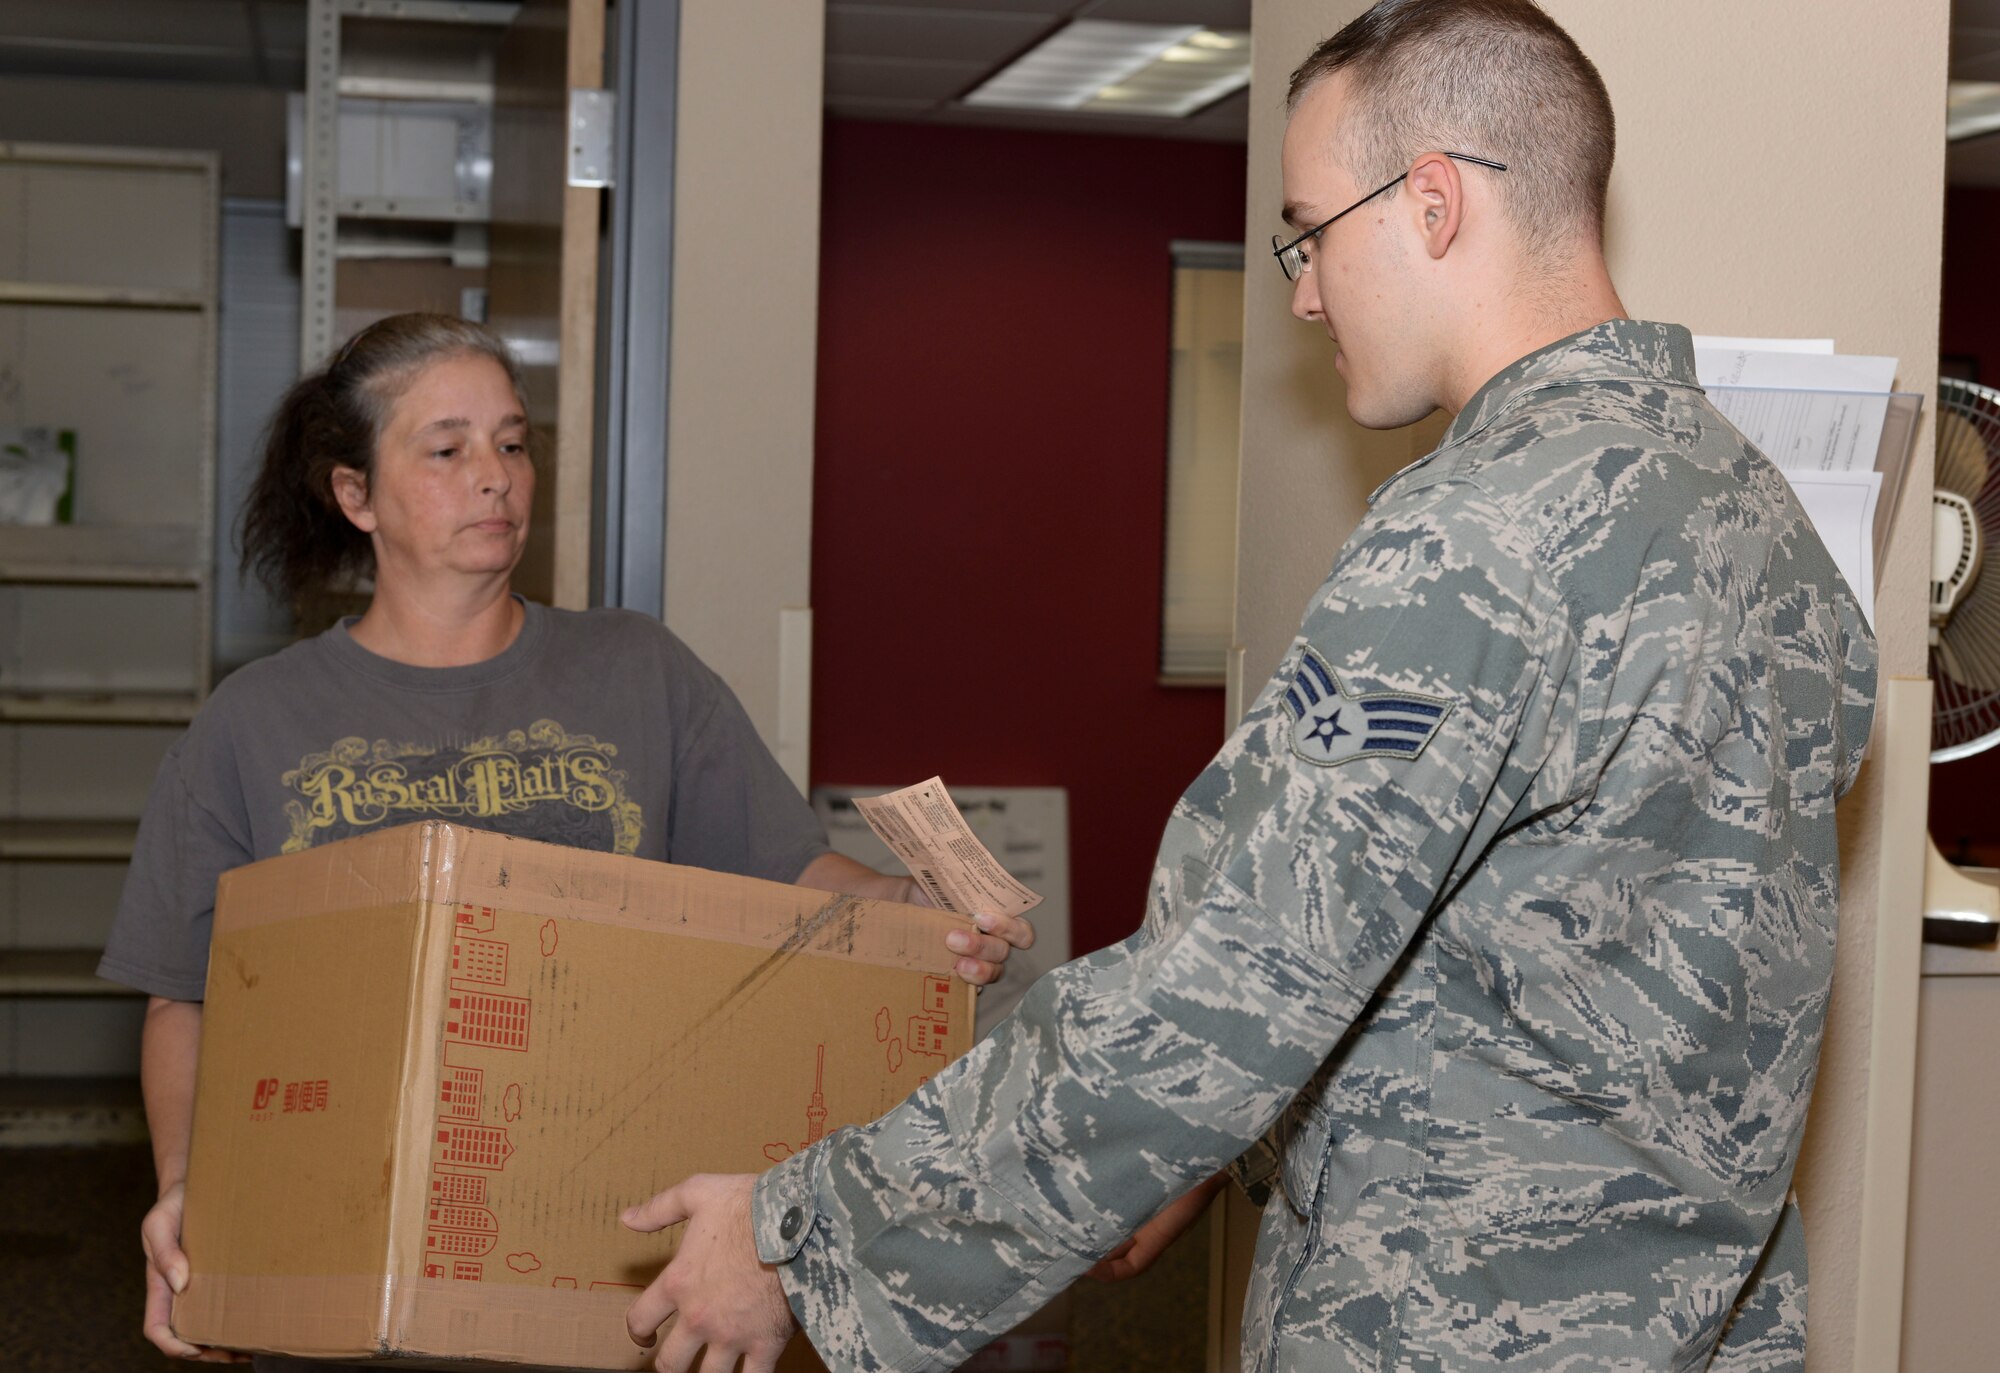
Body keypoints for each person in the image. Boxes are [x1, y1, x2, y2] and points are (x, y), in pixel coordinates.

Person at [618, 2, 1878, 1371]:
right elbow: (1535, 983)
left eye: (1310, 232)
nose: (1303, 293)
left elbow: (1221, 988)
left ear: (1435, 202)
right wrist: (1209, 1143)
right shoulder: (1767, 518)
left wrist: (809, 1236)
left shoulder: (1475, 538)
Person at [95, 313, 1034, 1364]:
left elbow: (796, 880)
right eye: (446, 449)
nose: (494, 477)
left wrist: (912, 916)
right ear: (354, 493)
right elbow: (186, 992)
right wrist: (187, 1184)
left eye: (512, 441)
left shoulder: (639, 671)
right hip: (342, 1266)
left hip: (605, 1262)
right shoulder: (253, 720)